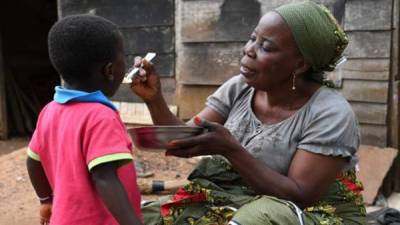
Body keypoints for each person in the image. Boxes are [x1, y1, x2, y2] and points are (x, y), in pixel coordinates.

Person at [130, 1, 366, 225]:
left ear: (300, 64)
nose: (248, 50)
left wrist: (231, 149)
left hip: (313, 213)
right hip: (239, 200)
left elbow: (300, 196)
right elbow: (183, 140)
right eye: (253, 38)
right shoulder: (240, 88)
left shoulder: (330, 113)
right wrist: (154, 99)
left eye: (265, 47)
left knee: (259, 215)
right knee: (145, 216)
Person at [26, 14, 143, 225]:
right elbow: (104, 177)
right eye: (122, 58)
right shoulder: (101, 117)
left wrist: (46, 200)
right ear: (109, 70)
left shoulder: (50, 111)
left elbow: (33, 161)